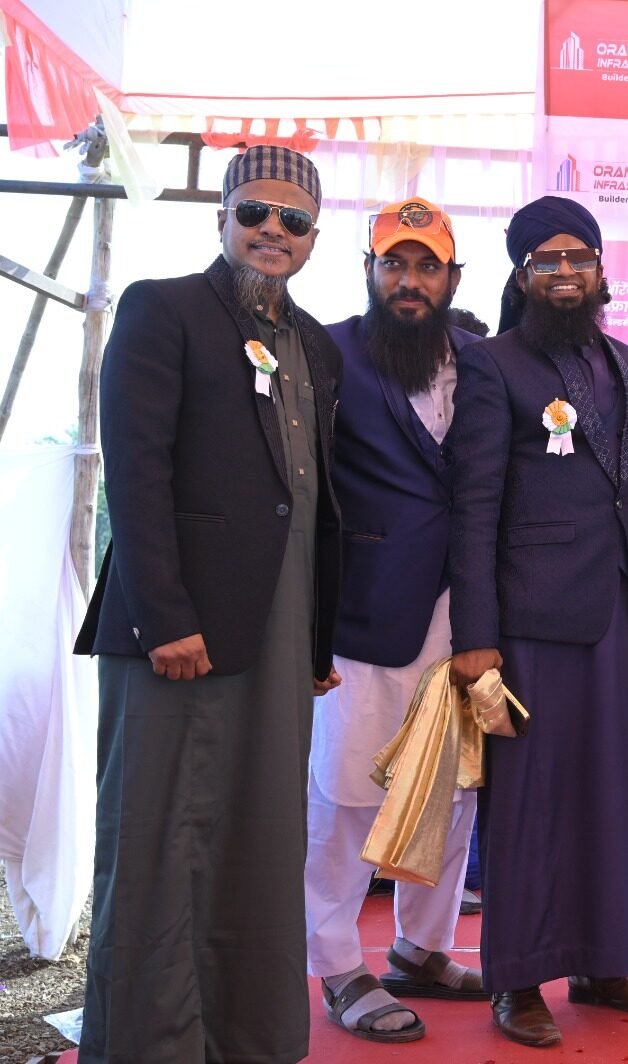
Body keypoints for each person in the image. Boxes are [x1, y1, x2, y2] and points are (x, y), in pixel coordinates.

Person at [74, 145, 342, 1063]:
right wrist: (164, 616)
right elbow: (135, 472)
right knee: (159, 840)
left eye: (293, 220)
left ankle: (248, 1039)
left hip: (278, 632)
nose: (273, 231)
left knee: (260, 839)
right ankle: (150, 1044)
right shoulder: (163, 308)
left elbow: (315, 501)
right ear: (221, 218)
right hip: (176, 630)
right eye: (253, 212)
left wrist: (314, 641)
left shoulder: (317, 345)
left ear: (313, 238)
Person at [446, 196, 628, 1048]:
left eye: (580, 257)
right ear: (522, 276)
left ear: (602, 269)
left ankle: (604, 962)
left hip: (615, 618)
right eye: (548, 260)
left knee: (614, 794)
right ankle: (517, 980)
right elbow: (473, 507)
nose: (567, 272)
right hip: (530, 621)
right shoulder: (491, 365)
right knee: (531, 803)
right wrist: (476, 639)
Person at [303, 198, 489, 1043]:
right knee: (346, 794)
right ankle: (338, 962)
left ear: (453, 278)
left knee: (453, 791)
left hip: (470, 614)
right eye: (394, 264)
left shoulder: (485, 361)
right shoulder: (327, 351)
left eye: (427, 267)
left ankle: (423, 947)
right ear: (370, 271)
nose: (410, 281)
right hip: (364, 611)